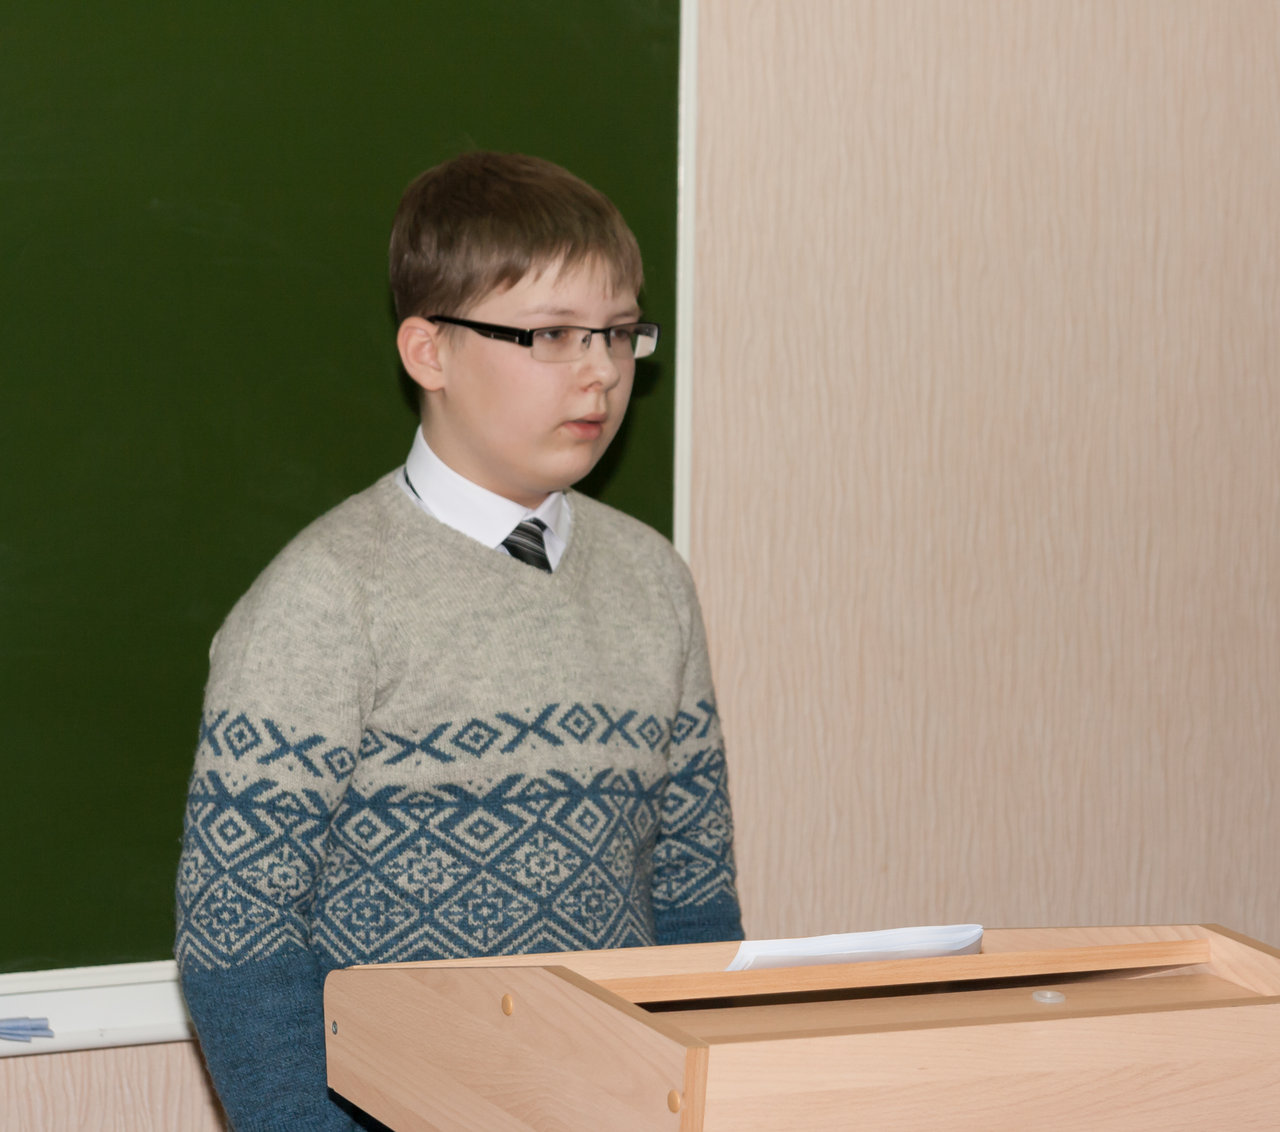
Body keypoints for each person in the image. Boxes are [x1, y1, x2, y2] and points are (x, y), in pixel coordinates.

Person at [174, 151, 743, 1130]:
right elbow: (238, 929)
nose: (602, 372)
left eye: (618, 333)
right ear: (428, 352)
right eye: (550, 335)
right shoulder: (326, 596)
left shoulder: (653, 581)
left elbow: (693, 894)